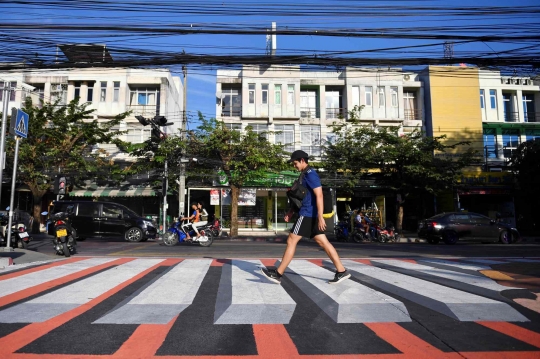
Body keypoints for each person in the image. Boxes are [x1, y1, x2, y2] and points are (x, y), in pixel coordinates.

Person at [261, 150, 351, 284]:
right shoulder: (304, 175)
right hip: (310, 214)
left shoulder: (311, 175)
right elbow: (301, 196)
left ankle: (278, 274)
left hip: (308, 214)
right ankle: (341, 271)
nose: (294, 166)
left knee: (291, 241)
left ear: (302, 160)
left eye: (295, 163)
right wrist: (291, 211)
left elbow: (319, 195)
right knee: (323, 242)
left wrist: (320, 217)